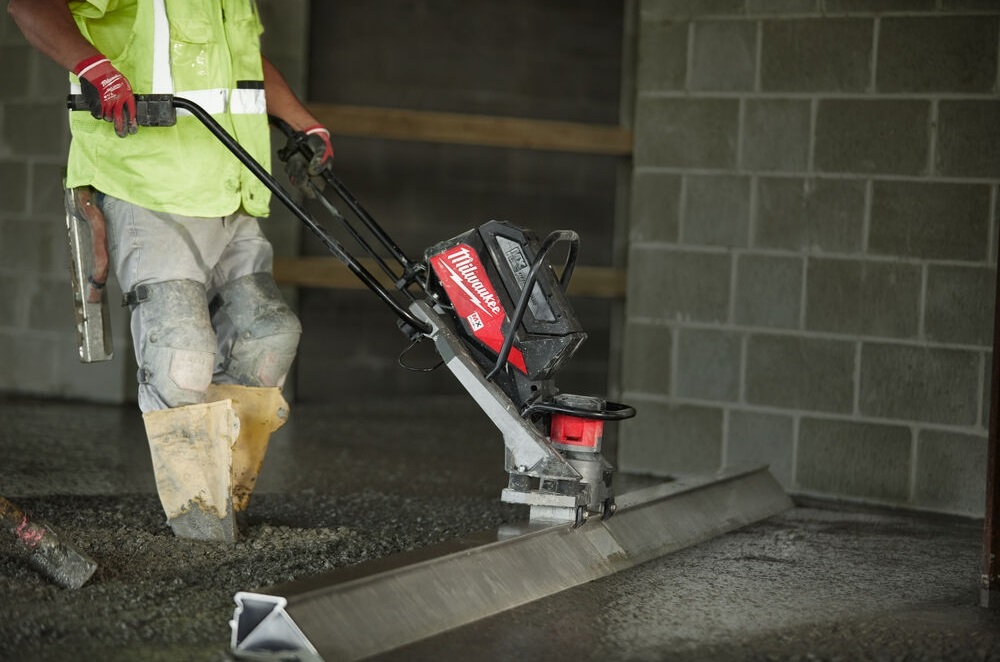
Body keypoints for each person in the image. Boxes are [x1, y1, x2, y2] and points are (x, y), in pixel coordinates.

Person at [7, 0, 333, 542]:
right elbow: (30, 5)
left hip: (229, 186)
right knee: (182, 355)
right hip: (149, 186)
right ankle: (200, 527)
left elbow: (242, 62)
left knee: (269, 335)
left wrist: (303, 122)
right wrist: (94, 67)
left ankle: (226, 500)